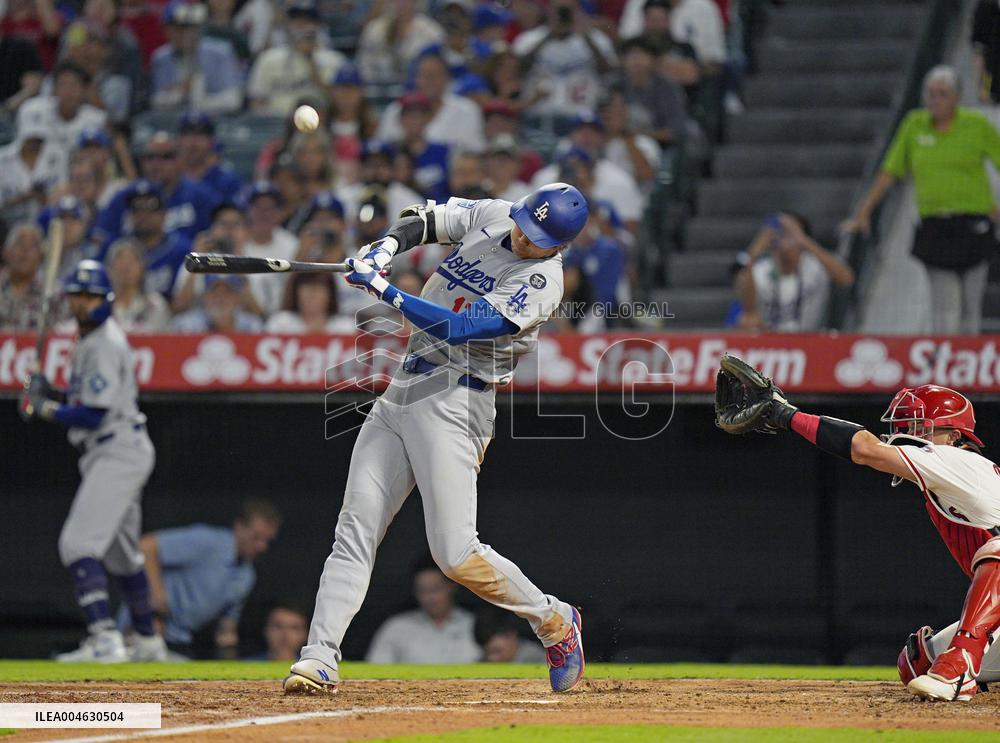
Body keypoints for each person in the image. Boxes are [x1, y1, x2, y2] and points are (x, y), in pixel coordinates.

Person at [282, 183, 588, 695]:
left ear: (558, 246)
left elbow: (460, 328)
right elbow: (426, 219)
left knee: (455, 553)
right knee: (354, 529)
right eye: (523, 224)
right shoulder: (496, 213)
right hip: (405, 385)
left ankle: (554, 620)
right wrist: (386, 246)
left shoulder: (541, 280)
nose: (522, 236)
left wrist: (384, 290)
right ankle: (319, 657)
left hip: (458, 401)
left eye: (536, 237)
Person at [715, 358, 1000, 702]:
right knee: (917, 663)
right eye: (903, 426)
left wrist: (784, 414)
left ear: (954, 437)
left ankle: (961, 662)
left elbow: (864, 449)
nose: (907, 436)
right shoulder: (945, 481)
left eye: (921, 428)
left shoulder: (962, 462)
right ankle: (958, 662)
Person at [20, 259, 165, 663]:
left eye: (91, 296)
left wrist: (44, 408)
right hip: (117, 449)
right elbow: (83, 402)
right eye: (78, 296)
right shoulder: (90, 341)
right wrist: (53, 394)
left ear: (106, 301)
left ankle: (105, 639)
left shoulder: (104, 342)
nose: (83, 303)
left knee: (77, 543)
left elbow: (94, 414)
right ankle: (148, 641)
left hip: (116, 448)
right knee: (123, 556)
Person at [843, 65, 1000, 335]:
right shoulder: (914, 125)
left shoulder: (976, 125)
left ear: (956, 97)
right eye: (931, 94)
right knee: (946, 304)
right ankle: (946, 363)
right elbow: (890, 171)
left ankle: (968, 368)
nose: (936, 100)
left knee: (970, 305)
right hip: (935, 225)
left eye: (943, 93)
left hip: (974, 223)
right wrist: (864, 212)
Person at [127, 500, 281, 658]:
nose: (262, 546)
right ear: (239, 526)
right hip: (140, 631)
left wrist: (229, 659)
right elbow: (146, 546)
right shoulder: (208, 541)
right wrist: (157, 602)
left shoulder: (246, 575)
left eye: (267, 541)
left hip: (179, 642)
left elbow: (226, 629)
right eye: (256, 537)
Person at [95, 132, 219, 248]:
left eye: (166, 157)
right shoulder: (125, 197)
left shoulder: (201, 197)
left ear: (180, 159)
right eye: (150, 157)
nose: (156, 163)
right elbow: (103, 238)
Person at [735, 212, 854, 332]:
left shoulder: (816, 265)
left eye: (789, 231)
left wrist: (803, 240)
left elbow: (847, 279)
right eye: (780, 230)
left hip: (813, 338)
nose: (783, 235)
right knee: (747, 321)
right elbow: (748, 308)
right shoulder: (761, 269)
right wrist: (755, 252)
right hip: (771, 340)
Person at [365, 555, 481, 664]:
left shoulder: (475, 625)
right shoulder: (396, 627)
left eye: (436, 589)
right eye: (423, 590)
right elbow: (375, 671)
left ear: (452, 586)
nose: (431, 598)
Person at [512, 0, 617, 118]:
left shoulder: (597, 39)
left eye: (568, 10)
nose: (563, 14)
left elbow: (608, 73)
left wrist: (587, 37)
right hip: (538, 117)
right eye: (559, 9)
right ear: (549, 10)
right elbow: (517, 71)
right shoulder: (529, 39)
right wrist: (549, 35)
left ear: (578, 11)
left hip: (583, 120)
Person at [247, 2, 346, 116]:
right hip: (279, 123)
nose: (301, 26)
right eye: (296, 21)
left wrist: (310, 60)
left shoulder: (333, 60)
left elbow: (340, 103)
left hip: (320, 121)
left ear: (317, 26)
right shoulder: (269, 58)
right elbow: (256, 100)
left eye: (307, 21)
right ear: (288, 25)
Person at [376, 52, 486, 154]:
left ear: (447, 78)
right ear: (416, 79)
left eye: (436, 75)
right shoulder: (396, 110)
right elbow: (383, 150)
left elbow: (476, 152)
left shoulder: (467, 110)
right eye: (425, 75)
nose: (430, 81)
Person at [150, 1, 243, 114]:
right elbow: (155, 102)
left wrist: (200, 100)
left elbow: (233, 101)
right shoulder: (161, 58)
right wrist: (180, 92)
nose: (185, 34)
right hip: (173, 124)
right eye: (178, 28)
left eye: (190, 27)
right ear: (166, 30)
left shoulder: (220, 53)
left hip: (216, 123)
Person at [15, 61, 106, 175]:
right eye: (63, 84)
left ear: (84, 90)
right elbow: (21, 151)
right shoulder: (34, 109)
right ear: (54, 89)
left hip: (76, 180)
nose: (68, 91)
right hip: (36, 175)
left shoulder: (96, 119)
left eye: (74, 85)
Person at [356, 0, 444, 85]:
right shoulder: (374, 29)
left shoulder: (432, 31)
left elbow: (437, 69)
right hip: (377, 91)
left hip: (418, 91)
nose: (402, 3)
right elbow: (364, 66)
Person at [0, 119, 66, 223]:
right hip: (7, 222)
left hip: (44, 221)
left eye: (39, 140)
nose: (36, 144)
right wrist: (25, 197)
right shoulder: (3, 159)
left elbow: (63, 193)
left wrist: (44, 198)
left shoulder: (56, 157)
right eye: (31, 139)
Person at [105, 238, 172, 332]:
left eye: (133, 259)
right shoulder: (101, 306)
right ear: (109, 269)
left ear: (142, 268)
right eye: (120, 259)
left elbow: (163, 340)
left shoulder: (155, 305)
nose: (126, 266)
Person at [177, 112, 243, 203]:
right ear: (179, 140)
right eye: (188, 135)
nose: (193, 142)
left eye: (200, 135)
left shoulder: (228, 180)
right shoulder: (171, 178)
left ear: (212, 141)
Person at [171, 274, 263, 333]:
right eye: (214, 292)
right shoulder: (184, 326)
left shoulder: (252, 327)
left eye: (227, 292)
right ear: (204, 297)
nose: (220, 298)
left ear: (238, 299)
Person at [0, 224, 46, 331]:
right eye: (19, 244)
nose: (25, 252)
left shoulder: (53, 295)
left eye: (33, 247)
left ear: (41, 256)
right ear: (5, 252)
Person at [475, 607, 547, 663]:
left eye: (497, 651)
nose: (492, 659)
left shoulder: (540, 662)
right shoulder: (482, 663)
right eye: (487, 653)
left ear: (511, 636)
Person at [245, 605, 310, 661]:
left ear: (305, 634)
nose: (285, 635)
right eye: (278, 626)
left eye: (294, 628)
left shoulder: (312, 670)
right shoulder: (245, 666)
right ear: (266, 630)